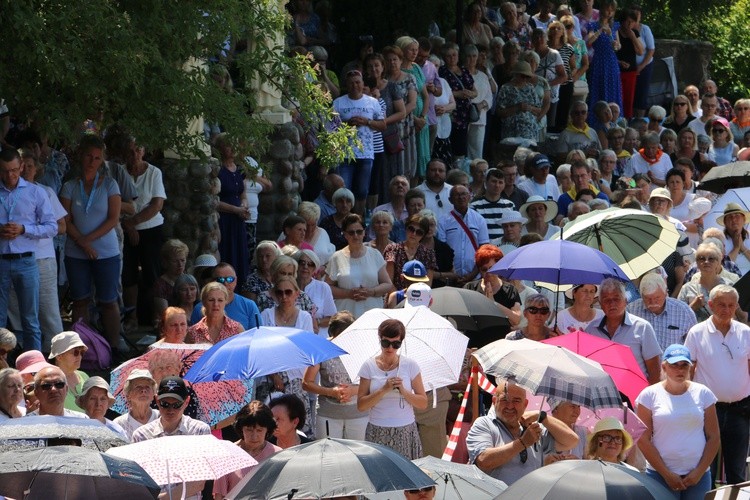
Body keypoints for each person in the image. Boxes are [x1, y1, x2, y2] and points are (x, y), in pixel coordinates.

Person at [684, 285, 750, 485]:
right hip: (707, 410)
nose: (726, 309)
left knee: (737, 471)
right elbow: (689, 371)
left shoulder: (746, 332)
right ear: (711, 305)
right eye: (721, 305)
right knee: (706, 470)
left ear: (736, 306)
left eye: (731, 305)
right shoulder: (696, 332)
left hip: (740, 410)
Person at [60, 135, 122, 349]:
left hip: (106, 252)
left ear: (101, 160)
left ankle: (114, 347)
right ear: (81, 156)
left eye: (97, 158)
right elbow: (65, 219)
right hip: (76, 253)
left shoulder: (110, 185)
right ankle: (80, 349)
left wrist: (88, 240)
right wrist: (83, 244)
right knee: (80, 301)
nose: (92, 161)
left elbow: (113, 218)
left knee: (108, 300)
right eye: (88, 156)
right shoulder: (70, 186)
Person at [635, 344, 719, 497]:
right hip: (659, 475)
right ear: (664, 367)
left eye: (684, 365)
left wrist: (699, 472)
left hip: (698, 476)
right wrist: (666, 474)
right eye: (674, 365)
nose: (680, 370)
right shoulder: (648, 395)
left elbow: (714, 437)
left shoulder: (704, 393)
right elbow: (643, 439)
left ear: (691, 367)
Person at [466, 378, 579, 485]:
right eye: (504, 400)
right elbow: (483, 461)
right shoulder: (484, 424)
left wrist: (542, 417)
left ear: (525, 405)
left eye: (516, 401)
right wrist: (522, 443)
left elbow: (572, 441)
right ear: (495, 401)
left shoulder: (533, 429)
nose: (510, 406)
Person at [7, 149, 65, 353]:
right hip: (7, 259)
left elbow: (59, 226)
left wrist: (26, 229)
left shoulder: (44, 191)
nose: (20, 173)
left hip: (40, 259)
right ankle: (26, 356)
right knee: (15, 313)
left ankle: (58, 357)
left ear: (33, 169)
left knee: (46, 313)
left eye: (27, 167)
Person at [357, 319, 427, 459]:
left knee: (406, 477)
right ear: (379, 339)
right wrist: (384, 389)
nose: (390, 348)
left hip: (405, 429)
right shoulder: (368, 366)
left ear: (401, 342)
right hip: (377, 429)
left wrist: (403, 391)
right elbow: (361, 405)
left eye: (396, 344)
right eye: (385, 343)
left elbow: (423, 403)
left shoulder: (410, 365)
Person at [132, 376, 211, 500]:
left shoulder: (200, 431)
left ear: (186, 402)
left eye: (177, 405)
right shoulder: (141, 436)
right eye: (165, 404)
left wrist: (163, 498)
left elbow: (199, 483)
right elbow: (140, 481)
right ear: (157, 400)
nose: (170, 410)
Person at [121, 137, 166, 328]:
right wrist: (128, 226)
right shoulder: (119, 172)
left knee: (153, 273)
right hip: (124, 229)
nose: (134, 155)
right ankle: (132, 317)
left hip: (150, 228)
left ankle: (158, 318)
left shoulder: (154, 172)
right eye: (130, 151)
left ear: (143, 151)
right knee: (128, 274)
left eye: (137, 151)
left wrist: (133, 223)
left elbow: (156, 204)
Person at [303, 311, 369, 440]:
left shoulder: (363, 349)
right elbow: (306, 383)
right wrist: (331, 392)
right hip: (328, 414)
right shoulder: (320, 349)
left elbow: (374, 381)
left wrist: (353, 390)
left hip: (358, 414)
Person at [585, 278, 662, 384]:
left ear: (625, 301)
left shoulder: (642, 328)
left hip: (636, 395)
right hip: (602, 395)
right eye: (607, 300)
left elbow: (655, 372)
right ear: (601, 304)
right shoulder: (591, 331)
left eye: (616, 299)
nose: (612, 304)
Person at [333, 70, 385, 215]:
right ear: (346, 85)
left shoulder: (373, 102)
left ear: (363, 84)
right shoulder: (338, 103)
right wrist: (347, 125)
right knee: (344, 191)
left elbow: (382, 125)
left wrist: (367, 122)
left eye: (357, 82)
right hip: (345, 153)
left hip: (366, 153)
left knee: (362, 191)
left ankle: (359, 221)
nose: (354, 85)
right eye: (351, 83)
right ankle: (344, 220)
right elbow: (329, 128)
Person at [326, 214, 394, 318]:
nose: (355, 236)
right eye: (351, 232)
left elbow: (387, 284)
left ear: (364, 233)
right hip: (345, 317)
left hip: (372, 314)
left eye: (359, 231)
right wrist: (348, 293)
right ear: (345, 234)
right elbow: (327, 288)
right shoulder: (336, 257)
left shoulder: (375, 254)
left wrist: (371, 292)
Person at [213, 401, 282, 499]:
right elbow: (219, 495)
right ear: (241, 428)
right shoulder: (226, 454)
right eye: (249, 430)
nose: (254, 436)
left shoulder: (278, 455)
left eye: (259, 430)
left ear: (268, 430)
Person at [463, 245, 522, 341]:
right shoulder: (470, 288)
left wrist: (493, 303)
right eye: (484, 269)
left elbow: (516, 319)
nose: (488, 273)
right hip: (475, 342)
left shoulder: (510, 290)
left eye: (492, 268)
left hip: (500, 343)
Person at [214, 134, 250, 287]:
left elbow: (242, 193)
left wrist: (243, 205)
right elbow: (214, 201)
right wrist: (235, 209)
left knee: (240, 253)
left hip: (238, 219)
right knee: (227, 252)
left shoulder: (239, 169)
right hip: (225, 219)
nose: (233, 148)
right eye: (229, 145)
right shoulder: (218, 170)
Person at [678, 243, 738, 323]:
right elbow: (678, 318)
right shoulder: (686, 288)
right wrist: (693, 306)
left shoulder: (729, 286)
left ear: (718, 262)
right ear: (697, 263)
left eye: (711, 259)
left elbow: (740, 315)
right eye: (702, 259)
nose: (706, 262)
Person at [191, 262, 261, 330]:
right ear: (212, 281)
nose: (225, 283)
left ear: (236, 280)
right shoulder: (199, 309)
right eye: (220, 279)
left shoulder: (249, 306)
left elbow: (258, 335)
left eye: (230, 279)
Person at [585, 0, 622, 114]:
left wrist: (612, 37)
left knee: (612, 89)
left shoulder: (615, 26)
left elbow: (618, 46)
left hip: (611, 62)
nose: (610, 12)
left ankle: (613, 117)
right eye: (608, 9)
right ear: (602, 10)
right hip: (599, 62)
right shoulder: (593, 25)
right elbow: (589, 42)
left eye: (612, 10)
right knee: (597, 89)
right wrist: (601, 30)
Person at [384, 214, 436, 291]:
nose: (414, 234)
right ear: (406, 229)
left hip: (419, 298)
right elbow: (388, 281)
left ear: (423, 235)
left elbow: (427, 285)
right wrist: (399, 297)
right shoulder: (392, 249)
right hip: (394, 297)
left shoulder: (429, 254)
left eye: (419, 232)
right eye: (411, 229)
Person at [495, 61, 542, 141]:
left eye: (527, 77)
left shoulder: (530, 88)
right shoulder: (506, 88)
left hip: (530, 131)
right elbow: (499, 112)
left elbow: (539, 110)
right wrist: (517, 108)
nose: (525, 79)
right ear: (516, 74)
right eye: (523, 76)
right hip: (512, 131)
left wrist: (529, 108)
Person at [294, 249, 336, 332]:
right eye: (302, 263)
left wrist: (317, 322)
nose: (305, 266)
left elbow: (333, 317)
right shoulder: (289, 286)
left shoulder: (323, 287)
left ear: (314, 269)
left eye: (310, 264)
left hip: (318, 335)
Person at [112, 368, 160, 440]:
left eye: (147, 387)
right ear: (128, 395)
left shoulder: (161, 417)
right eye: (138, 387)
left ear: (153, 395)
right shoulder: (119, 424)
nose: (143, 390)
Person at [471, 168, 515, 243]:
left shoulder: (510, 205)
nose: (497, 185)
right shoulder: (474, 206)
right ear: (486, 183)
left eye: (500, 182)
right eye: (494, 181)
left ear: (504, 185)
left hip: (505, 248)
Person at [48, 331, 89, 412]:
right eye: (75, 352)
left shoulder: (84, 376)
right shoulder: (50, 380)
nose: (80, 356)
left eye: (82, 352)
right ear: (59, 356)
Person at [152, 239, 189, 322]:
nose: (180, 265)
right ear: (165, 262)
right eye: (175, 261)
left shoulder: (189, 279)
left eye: (182, 260)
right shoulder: (160, 285)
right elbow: (165, 314)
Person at [298, 201, 335, 266]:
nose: (309, 229)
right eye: (306, 225)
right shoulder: (290, 232)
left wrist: (324, 267)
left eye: (313, 225)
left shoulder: (323, 233)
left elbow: (330, 259)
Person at [719, 203, 750, 276]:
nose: (733, 219)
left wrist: (743, 248)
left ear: (744, 219)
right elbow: (722, 269)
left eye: (737, 216)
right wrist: (736, 248)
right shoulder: (720, 240)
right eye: (729, 217)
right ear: (725, 222)